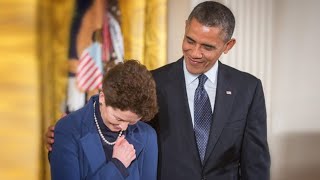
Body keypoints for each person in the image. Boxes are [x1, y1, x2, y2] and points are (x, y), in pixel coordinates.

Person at [46, 1, 270, 179]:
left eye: (207, 46)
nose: (194, 52)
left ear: (227, 46)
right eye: (190, 40)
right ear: (185, 27)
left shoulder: (248, 89)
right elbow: (113, 107)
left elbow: (255, 162)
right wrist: (67, 131)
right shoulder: (153, 82)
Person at [49, 60, 158, 180]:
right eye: (118, 118)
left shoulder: (148, 135)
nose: (124, 127)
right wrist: (117, 166)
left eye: (131, 122)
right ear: (103, 98)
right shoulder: (68, 129)